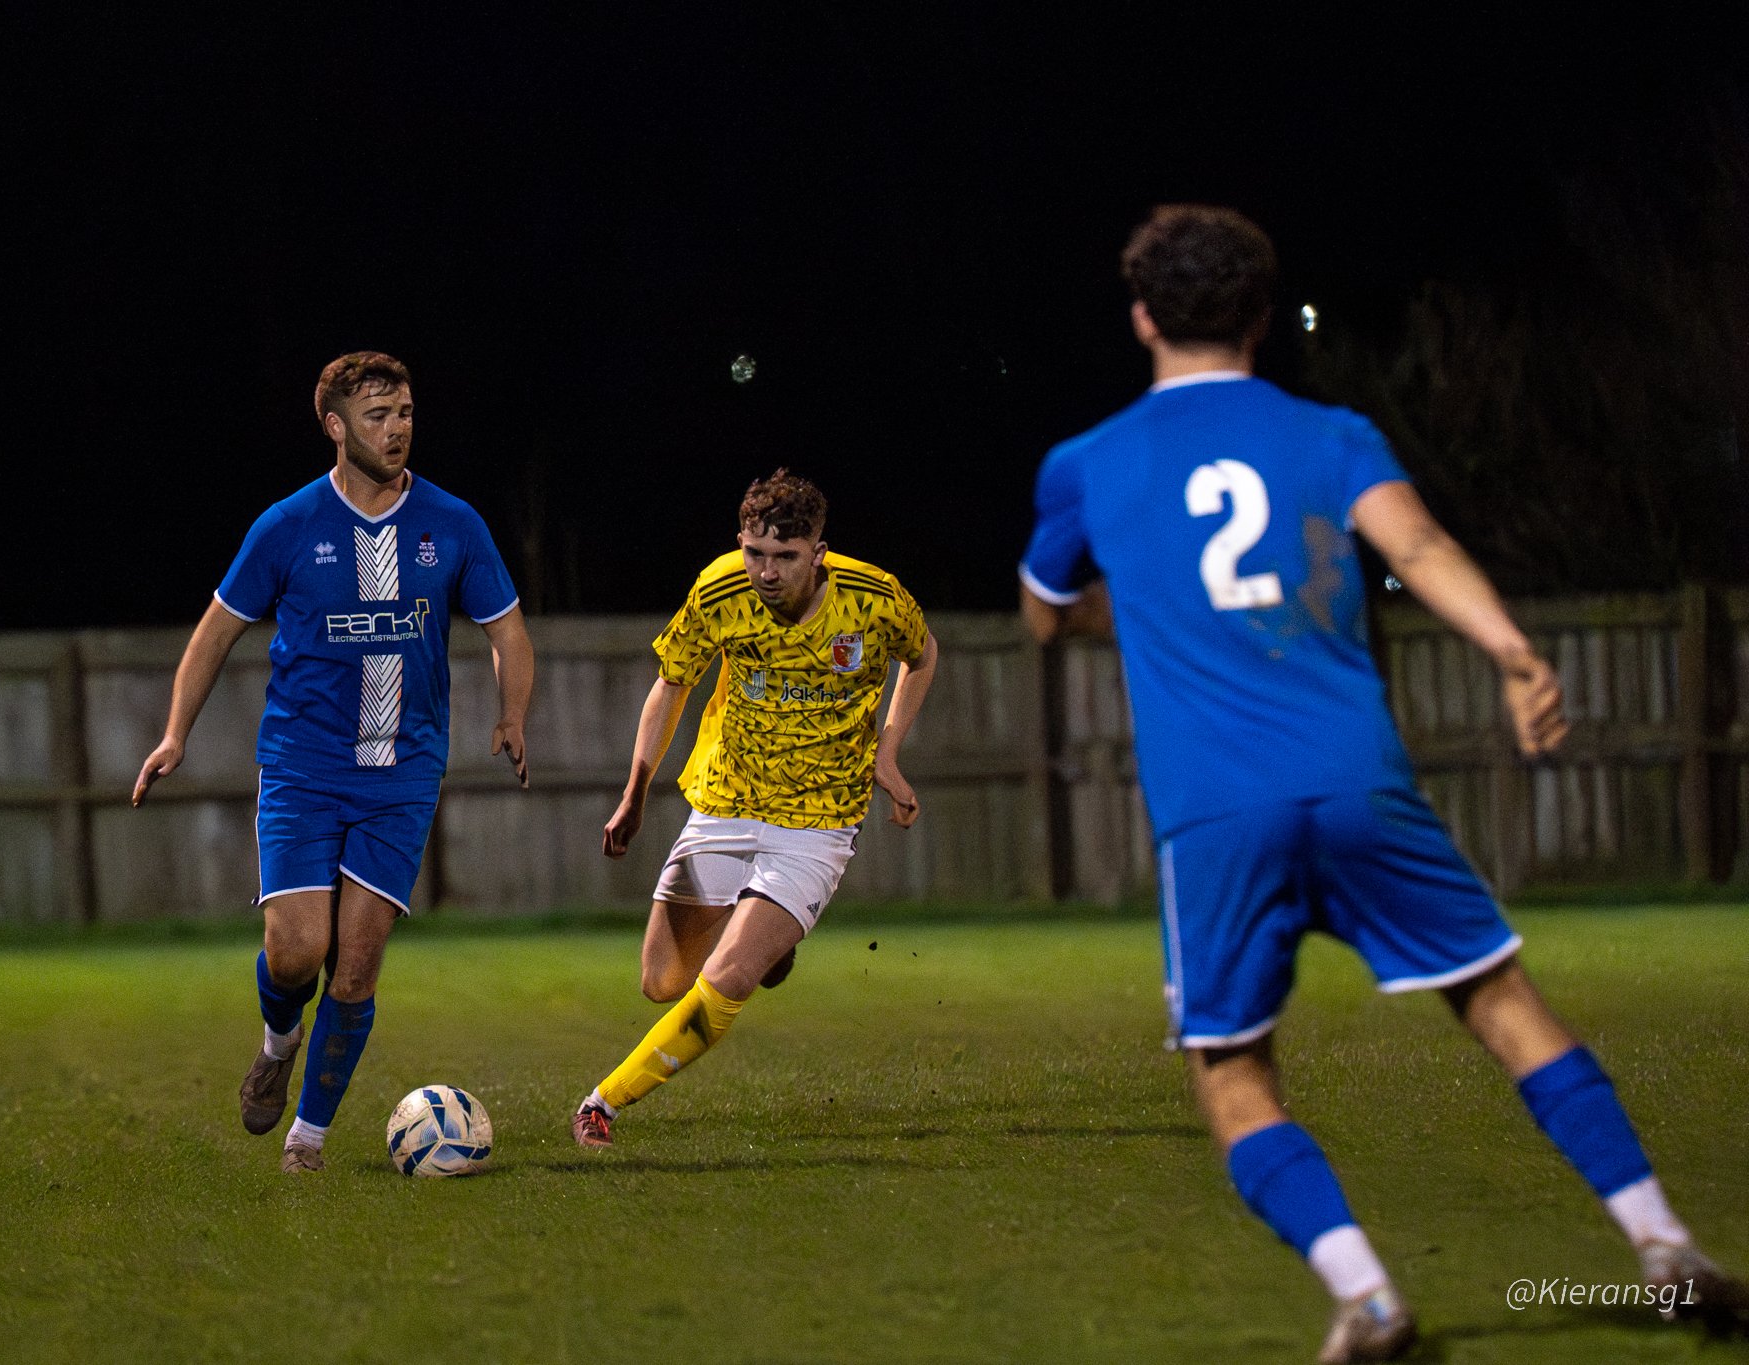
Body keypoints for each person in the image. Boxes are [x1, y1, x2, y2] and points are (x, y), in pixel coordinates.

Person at [1018, 205, 1745, 1361]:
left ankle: (1365, 1295)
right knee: (1503, 1008)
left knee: (1232, 1073)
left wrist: (1111, 607)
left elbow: (1044, 618)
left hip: (1215, 814)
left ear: (1142, 316)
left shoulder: (1084, 464)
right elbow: (1418, 550)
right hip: (1356, 782)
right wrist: (1511, 654)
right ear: (1259, 318)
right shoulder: (1332, 433)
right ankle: (1659, 1244)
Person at [133, 351, 533, 1174]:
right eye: (379, 416)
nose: (397, 430)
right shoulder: (286, 526)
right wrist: (175, 733)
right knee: (295, 953)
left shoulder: (453, 523)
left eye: (407, 413)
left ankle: (306, 1140)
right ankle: (279, 1038)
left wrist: (512, 712)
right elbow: (214, 632)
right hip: (302, 769)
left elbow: (508, 629)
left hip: (402, 773)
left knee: (355, 963)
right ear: (335, 426)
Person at [570, 470, 938, 1148]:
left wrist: (888, 752)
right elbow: (670, 684)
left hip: (819, 822)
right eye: (756, 553)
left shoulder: (873, 598)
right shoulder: (719, 590)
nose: (767, 571)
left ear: (818, 552)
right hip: (726, 802)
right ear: (740, 541)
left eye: (786, 557)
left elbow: (923, 653)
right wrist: (634, 794)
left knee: (724, 976)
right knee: (660, 981)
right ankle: (772, 947)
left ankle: (602, 1103)